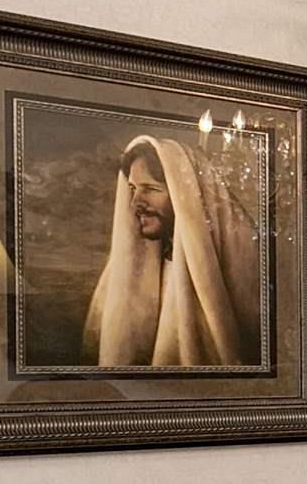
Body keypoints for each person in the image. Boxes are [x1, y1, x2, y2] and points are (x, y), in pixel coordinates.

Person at [83, 133, 262, 367]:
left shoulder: (243, 257)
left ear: (184, 195)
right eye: (132, 188)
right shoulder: (120, 275)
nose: (135, 202)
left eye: (150, 188)